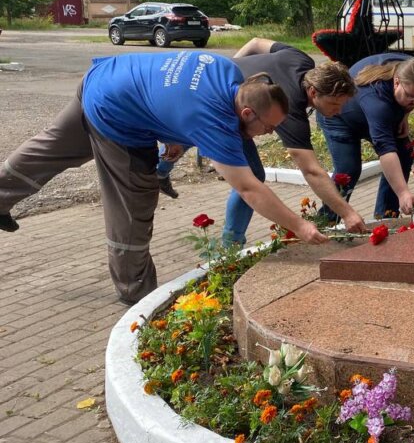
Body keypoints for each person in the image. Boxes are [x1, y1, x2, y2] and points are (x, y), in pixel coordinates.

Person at [0, 50, 329, 304]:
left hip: (102, 78)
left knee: (52, 148)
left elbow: (178, 91)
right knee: (134, 199)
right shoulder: (213, 121)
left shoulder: (228, 71)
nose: (266, 134)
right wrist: (299, 226)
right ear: (247, 112)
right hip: (117, 115)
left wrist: (177, 133)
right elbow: (248, 188)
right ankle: (136, 292)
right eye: (267, 127)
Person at [214, 38, 367, 245]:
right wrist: (348, 213)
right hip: (221, 109)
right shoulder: (290, 109)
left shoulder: (301, 60)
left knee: (252, 174)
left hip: (221, 89)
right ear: (313, 92)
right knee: (251, 178)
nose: (338, 112)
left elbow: (256, 43)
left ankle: (162, 168)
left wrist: (229, 68)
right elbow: (311, 171)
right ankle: (229, 246)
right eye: (333, 104)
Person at [318, 53, 414, 219]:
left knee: (404, 154)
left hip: (374, 113)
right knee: (348, 170)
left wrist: (405, 114)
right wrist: (403, 192)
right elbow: (385, 150)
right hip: (339, 116)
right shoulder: (377, 98)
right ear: (397, 82)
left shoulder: (413, 69)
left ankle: (386, 217)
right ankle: (327, 221)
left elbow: (413, 95)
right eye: (410, 96)